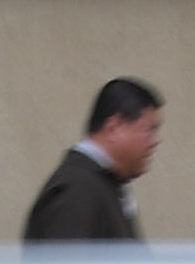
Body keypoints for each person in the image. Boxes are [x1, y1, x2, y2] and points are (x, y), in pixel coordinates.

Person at [22, 79, 163, 244]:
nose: (155, 141)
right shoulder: (76, 190)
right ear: (115, 127)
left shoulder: (99, 184)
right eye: (149, 130)